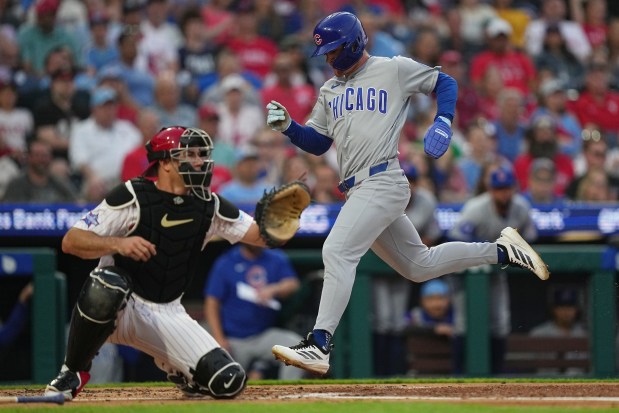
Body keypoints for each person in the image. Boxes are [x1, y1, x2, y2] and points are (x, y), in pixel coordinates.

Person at [266, 12, 549, 376]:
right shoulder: (329, 89)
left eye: (336, 51)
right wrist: (290, 127)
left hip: (383, 180)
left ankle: (319, 344)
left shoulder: (392, 68)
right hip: (358, 189)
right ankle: (503, 250)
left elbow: (444, 82)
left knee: (336, 250)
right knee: (419, 266)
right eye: (327, 54)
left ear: (354, 43)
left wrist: (443, 120)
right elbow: (319, 143)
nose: (331, 60)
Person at [44, 126, 273, 401]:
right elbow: (72, 241)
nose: (199, 161)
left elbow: (262, 237)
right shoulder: (132, 195)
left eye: (202, 154)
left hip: (167, 313)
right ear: (164, 162)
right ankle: (72, 372)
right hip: (120, 306)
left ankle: (180, 369)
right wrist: (118, 243)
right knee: (107, 282)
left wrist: (283, 220)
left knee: (228, 382)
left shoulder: (209, 205)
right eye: (189, 154)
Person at [203, 244, 304, 380]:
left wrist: (274, 289)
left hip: (263, 335)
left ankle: (290, 397)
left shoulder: (275, 257)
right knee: (222, 379)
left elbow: (293, 283)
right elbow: (211, 303)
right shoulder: (227, 261)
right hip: (233, 339)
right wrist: (219, 339)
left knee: (299, 350)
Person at [529, 286, 588, 376]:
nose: (566, 311)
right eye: (561, 306)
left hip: (578, 382)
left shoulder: (584, 333)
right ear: (553, 309)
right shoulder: (539, 333)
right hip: (546, 381)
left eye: (570, 307)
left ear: (576, 309)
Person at [3, 139, 79, 203]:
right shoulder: (16, 185)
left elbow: (75, 206)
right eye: (37, 155)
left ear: (51, 158)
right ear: (29, 157)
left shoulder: (61, 184)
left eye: (45, 156)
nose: (41, 160)